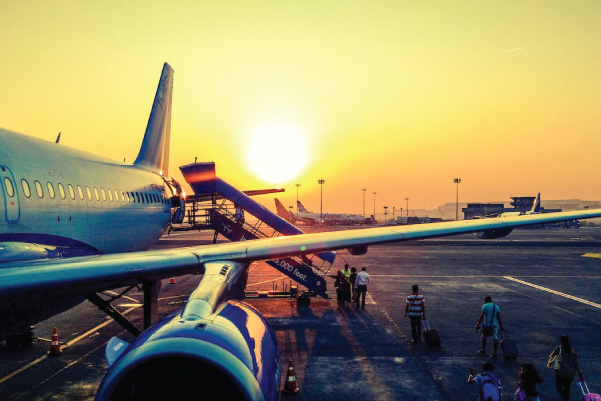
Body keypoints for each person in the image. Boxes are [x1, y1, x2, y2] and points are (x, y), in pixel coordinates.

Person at [549, 335, 584, 401]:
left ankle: (565, 398)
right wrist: (580, 373)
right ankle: (566, 399)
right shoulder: (572, 350)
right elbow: (576, 363)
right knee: (567, 387)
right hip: (571, 373)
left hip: (561, 373)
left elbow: (551, 356)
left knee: (559, 386)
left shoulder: (559, 349)